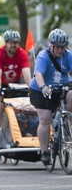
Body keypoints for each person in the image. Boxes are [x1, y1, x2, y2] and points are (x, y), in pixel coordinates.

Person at [29, 28, 72, 165]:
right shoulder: (43, 56)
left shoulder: (68, 55)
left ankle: (66, 120)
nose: (60, 50)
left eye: (62, 47)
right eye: (57, 47)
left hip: (61, 88)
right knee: (45, 119)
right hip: (41, 90)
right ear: (51, 45)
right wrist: (43, 87)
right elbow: (38, 75)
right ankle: (44, 151)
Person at [0, 29, 31, 130]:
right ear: (6, 43)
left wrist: (31, 87)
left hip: (16, 84)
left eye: (15, 43)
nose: (13, 45)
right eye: (10, 42)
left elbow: (27, 74)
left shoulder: (22, 54)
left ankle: (21, 133)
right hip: (1, 84)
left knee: (22, 109)